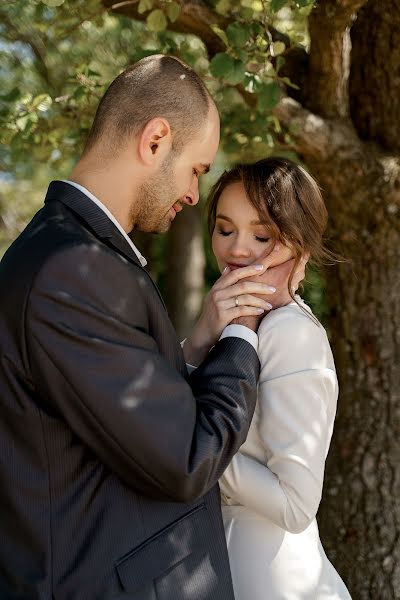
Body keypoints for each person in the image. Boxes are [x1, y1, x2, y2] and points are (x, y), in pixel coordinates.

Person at [0, 56, 303, 600]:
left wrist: (200, 340)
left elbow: (120, 416)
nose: (193, 194)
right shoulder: (73, 269)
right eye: (196, 170)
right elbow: (189, 457)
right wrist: (243, 331)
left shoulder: (74, 255)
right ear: (157, 140)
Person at [183, 157, 352, 599]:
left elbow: (296, 505)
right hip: (221, 560)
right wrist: (203, 334)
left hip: (270, 577)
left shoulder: (290, 333)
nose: (238, 250)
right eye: (225, 230)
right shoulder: (242, 326)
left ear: (299, 247)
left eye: (262, 236)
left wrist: (193, 448)